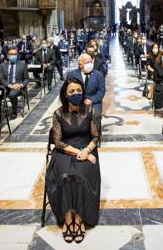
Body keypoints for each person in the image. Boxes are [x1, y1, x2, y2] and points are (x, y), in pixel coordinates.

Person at [45, 78, 101, 244]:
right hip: (65, 151)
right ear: (65, 94)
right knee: (65, 175)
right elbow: (58, 142)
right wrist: (80, 152)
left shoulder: (91, 110)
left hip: (87, 148)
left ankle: (80, 217)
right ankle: (68, 217)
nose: (75, 94)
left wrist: (88, 150)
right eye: (71, 91)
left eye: (78, 90)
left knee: (81, 175)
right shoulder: (58, 114)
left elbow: (96, 136)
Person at [0, 47, 29, 119]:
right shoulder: (3, 65)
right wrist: (9, 85)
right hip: (6, 86)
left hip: (17, 86)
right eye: (11, 54)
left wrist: (21, 85)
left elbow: (27, 79)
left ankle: (14, 111)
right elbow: (1, 79)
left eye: (15, 54)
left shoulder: (22, 64)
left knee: (12, 94)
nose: (13, 56)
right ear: (8, 55)